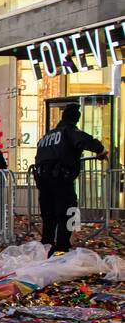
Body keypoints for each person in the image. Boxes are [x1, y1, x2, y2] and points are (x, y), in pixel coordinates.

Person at [33, 105, 107, 254]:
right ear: (75, 119)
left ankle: (46, 247)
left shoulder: (47, 136)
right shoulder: (69, 131)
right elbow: (84, 140)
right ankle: (62, 248)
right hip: (61, 180)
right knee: (68, 213)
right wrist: (100, 150)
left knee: (49, 216)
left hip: (43, 181)